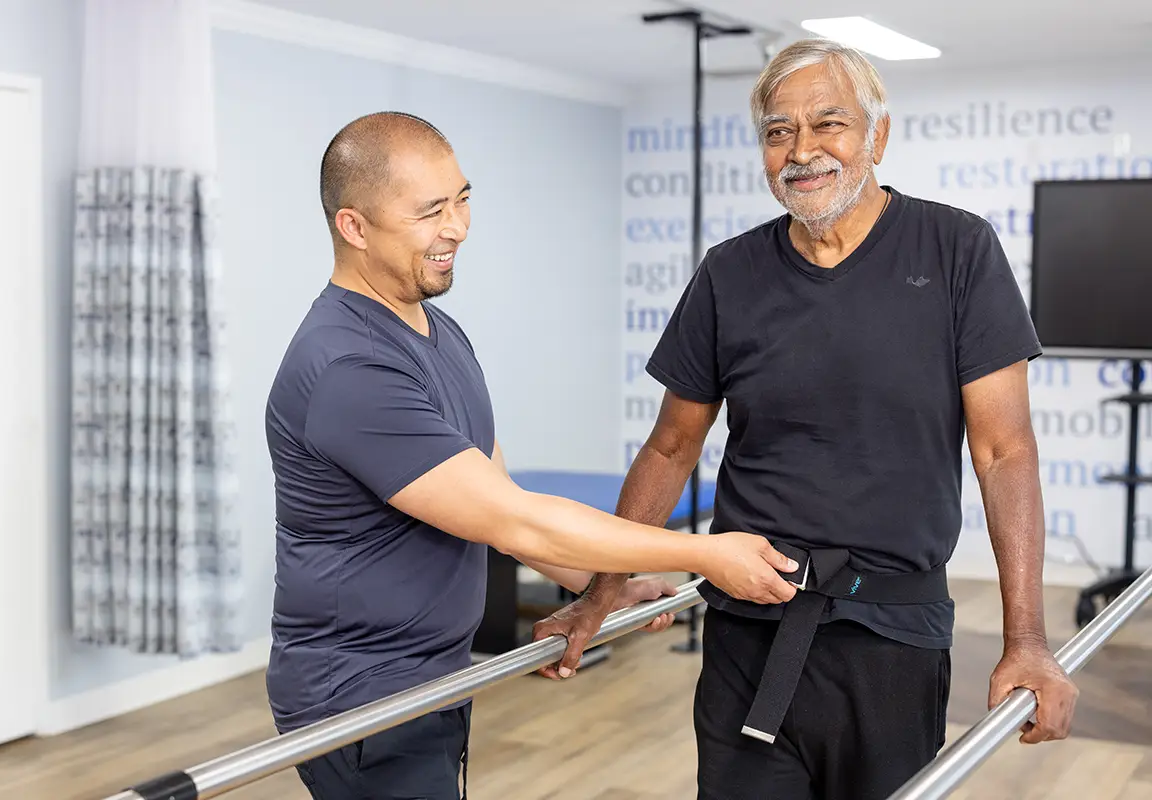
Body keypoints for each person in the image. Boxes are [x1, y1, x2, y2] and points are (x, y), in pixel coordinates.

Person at [532, 39, 1079, 799]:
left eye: (829, 124)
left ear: (877, 137)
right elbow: (671, 446)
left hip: (891, 636)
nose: (801, 150)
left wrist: (1028, 641)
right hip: (748, 630)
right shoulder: (729, 272)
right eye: (778, 131)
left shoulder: (957, 249)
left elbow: (1004, 452)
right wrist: (601, 592)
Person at [263, 111, 805, 800]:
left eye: (462, 199)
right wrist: (705, 554)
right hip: (359, 693)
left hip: (431, 675)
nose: (458, 227)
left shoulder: (438, 332)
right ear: (355, 227)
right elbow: (515, 520)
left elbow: (499, 497)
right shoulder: (348, 367)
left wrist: (601, 587)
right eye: (430, 211)